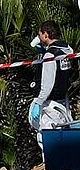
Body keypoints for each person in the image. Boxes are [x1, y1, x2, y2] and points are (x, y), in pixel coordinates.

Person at [29, 21, 74, 155]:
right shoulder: (67, 50)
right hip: (63, 101)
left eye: (40, 34)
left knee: (47, 138)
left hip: (50, 104)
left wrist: (38, 102)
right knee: (62, 138)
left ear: (45, 34)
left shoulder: (50, 55)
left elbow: (47, 84)